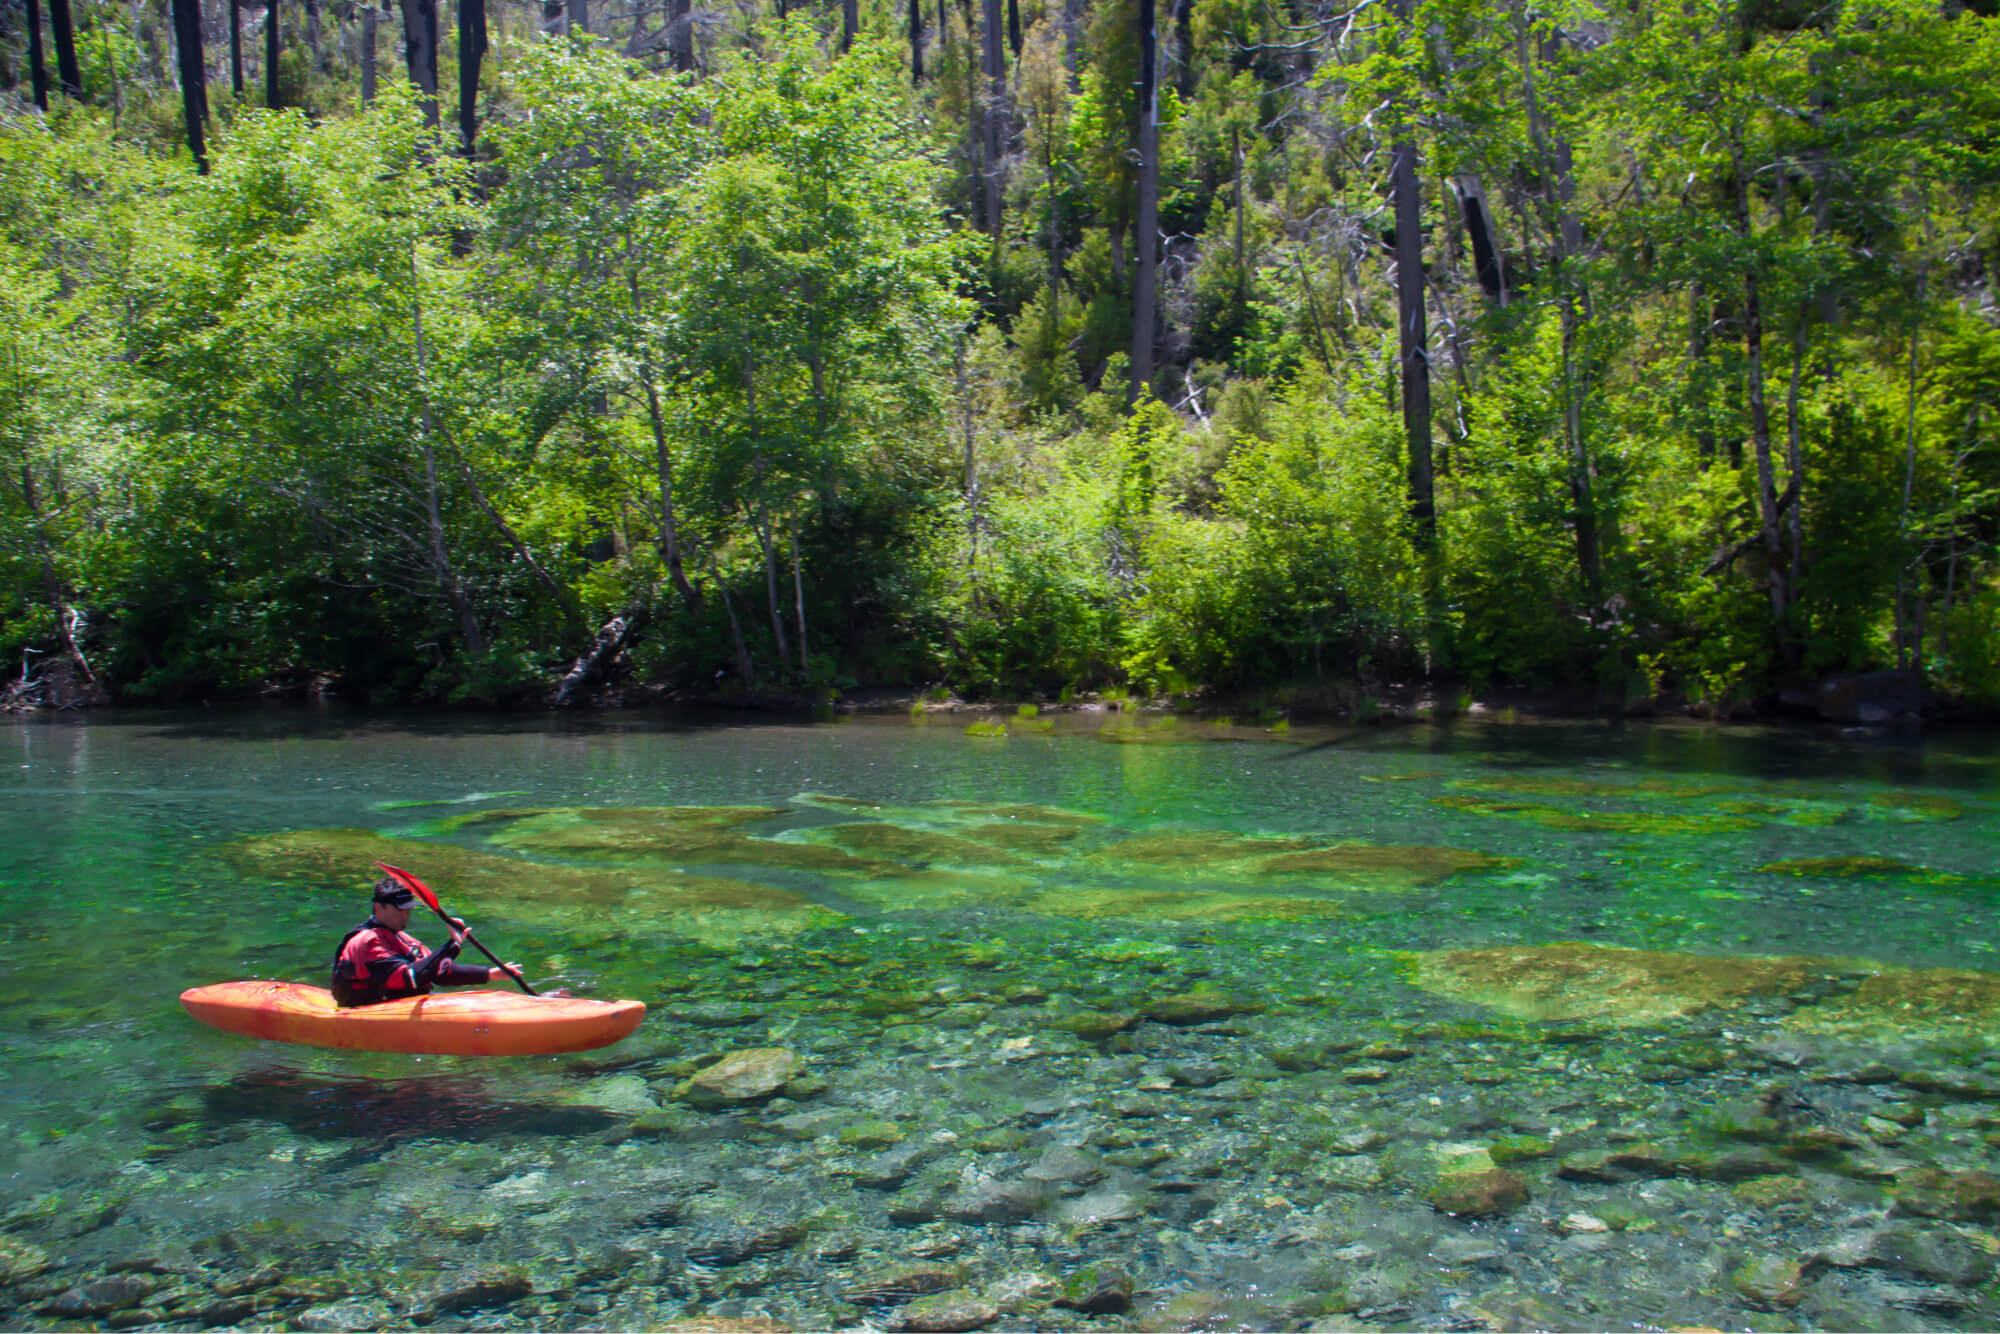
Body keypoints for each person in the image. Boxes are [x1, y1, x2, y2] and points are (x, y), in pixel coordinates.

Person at [331, 878, 523, 1007]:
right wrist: (453, 945)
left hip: (399, 1005)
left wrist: (489, 974)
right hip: (368, 1010)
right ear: (378, 907)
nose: (406, 915)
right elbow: (410, 977)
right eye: (400, 910)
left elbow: (439, 973)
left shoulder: (403, 939)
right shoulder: (367, 943)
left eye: (408, 910)